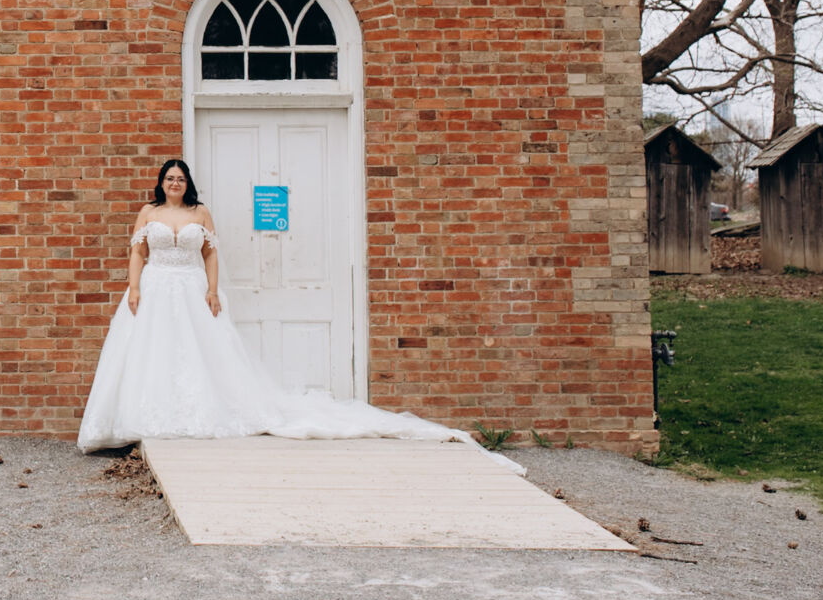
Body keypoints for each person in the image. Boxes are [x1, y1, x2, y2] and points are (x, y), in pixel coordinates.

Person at [77, 159, 512, 462]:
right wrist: (135, 288)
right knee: (152, 353)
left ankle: (197, 413)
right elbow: (137, 253)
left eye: (180, 178)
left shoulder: (201, 212)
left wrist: (212, 291)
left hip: (192, 288)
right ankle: (141, 418)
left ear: (188, 183)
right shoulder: (148, 212)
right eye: (169, 178)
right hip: (155, 288)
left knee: (197, 353)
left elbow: (210, 255)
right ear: (161, 182)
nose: (175, 183)